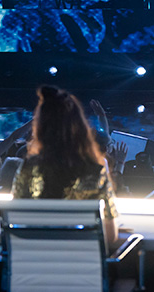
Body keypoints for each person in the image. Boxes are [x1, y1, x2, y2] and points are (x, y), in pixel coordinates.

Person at [12, 86, 118, 247]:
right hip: (81, 266)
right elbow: (110, 237)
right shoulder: (95, 171)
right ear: (79, 127)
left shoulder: (29, 167)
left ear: (40, 127)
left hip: (36, 264)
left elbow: (16, 218)